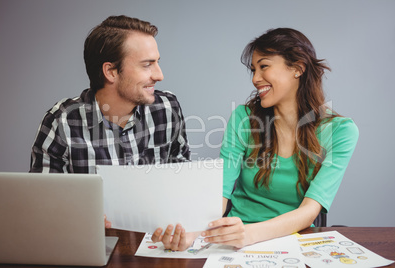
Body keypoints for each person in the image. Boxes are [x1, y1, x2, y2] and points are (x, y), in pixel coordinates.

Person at [152, 28, 358, 250]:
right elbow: (220, 191)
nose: (255, 79)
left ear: (297, 68)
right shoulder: (243, 118)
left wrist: (249, 234)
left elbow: (309, 210)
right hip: (235, 239)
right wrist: (192, 232)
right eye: (253, 69)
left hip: (292, 242)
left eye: (264, 67)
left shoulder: (340, 131)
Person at [30, 15, 190, 174]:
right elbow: (44, 198)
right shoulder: (62, 122)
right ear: (111, 71)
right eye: (147, 65)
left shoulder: (167, 108)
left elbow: (183, 181)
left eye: (157, 62)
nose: (159, 76)